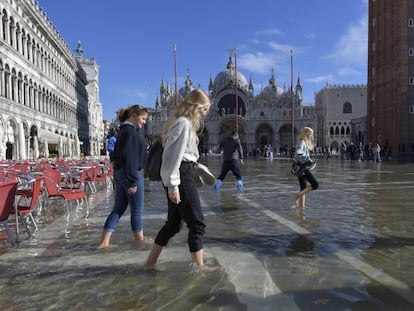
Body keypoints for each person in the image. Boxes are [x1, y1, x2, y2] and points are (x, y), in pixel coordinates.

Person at [144, 89, 214, 272]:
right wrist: (173, 186)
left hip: (183, 173)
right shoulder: (183, 124)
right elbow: (171, 157)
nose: (206, 112)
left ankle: (150, 263)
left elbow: (183, 155)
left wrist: (195, 167)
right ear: (197, 106)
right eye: (205, 108)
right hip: (181, 176)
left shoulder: (184, 123)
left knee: (174, 224)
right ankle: (199, 267)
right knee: (197, 223)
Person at [98, 104, 148, 248]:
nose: (144, 122)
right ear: (133, 116)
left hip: (120, 173)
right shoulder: (131, 131)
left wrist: (114, 162)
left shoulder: (122, 130)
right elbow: (130, 157)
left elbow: (116, 152)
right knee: (137, 211)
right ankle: (140, 242)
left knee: (118, 208)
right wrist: (132, 181)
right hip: (131, 173)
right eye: (143, 119)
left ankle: (104, 242)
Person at [293, 127, 319, 208]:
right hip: (303, 167)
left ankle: (302, 206)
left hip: (300, 167)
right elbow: (298, 153)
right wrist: (308, 160)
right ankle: (297, 195)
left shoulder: (302, 142)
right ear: (307, 134)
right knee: (315, 185)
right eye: (311, 134)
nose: (312, 136)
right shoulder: (302, 142)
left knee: (303, 187)